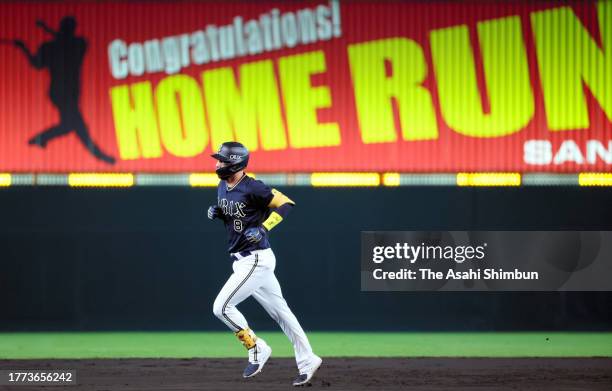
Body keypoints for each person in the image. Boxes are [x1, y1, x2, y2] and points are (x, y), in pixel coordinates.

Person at [207, 141, 322, 386]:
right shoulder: (222, 185)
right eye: (218, 159)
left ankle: (256, 347)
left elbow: (287, 203)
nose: (218, 164)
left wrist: (263, 227)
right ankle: (308, 359)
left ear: (237, 163)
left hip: (255, 259)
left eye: (223, 160)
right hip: (242, 261)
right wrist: (220, 213)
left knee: (221, 307)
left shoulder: (253, 187)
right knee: (282, 313)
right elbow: (237, 216)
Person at [14, 16, 116, 164]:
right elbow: (37, 64)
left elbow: (62, 46)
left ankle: (40, 139)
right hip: (61, 94)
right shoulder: (57, 46)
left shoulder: (77, 44)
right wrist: (24, 47)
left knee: (69, 125)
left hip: (68, 93)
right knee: (79, 127)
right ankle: (103, 157)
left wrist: (30, 42)